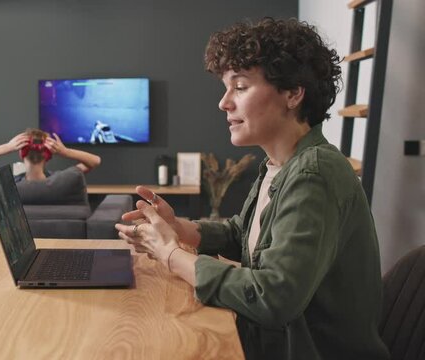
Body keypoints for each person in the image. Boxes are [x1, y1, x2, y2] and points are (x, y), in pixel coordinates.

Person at [115, 18, 389, 359]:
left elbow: (272, 299)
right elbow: (242, 232)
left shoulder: (313, 174)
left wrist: (172, 255)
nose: (224, 102)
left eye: (240, 87)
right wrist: (179, 228)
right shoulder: (280, 165)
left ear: (292, 94)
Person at [0, 128, 101, 181]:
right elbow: (95, 161)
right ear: (48, 155)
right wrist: (65, 152)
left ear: (22, 153)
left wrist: (8, 147)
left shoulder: (10, 183)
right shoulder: (62, 180)